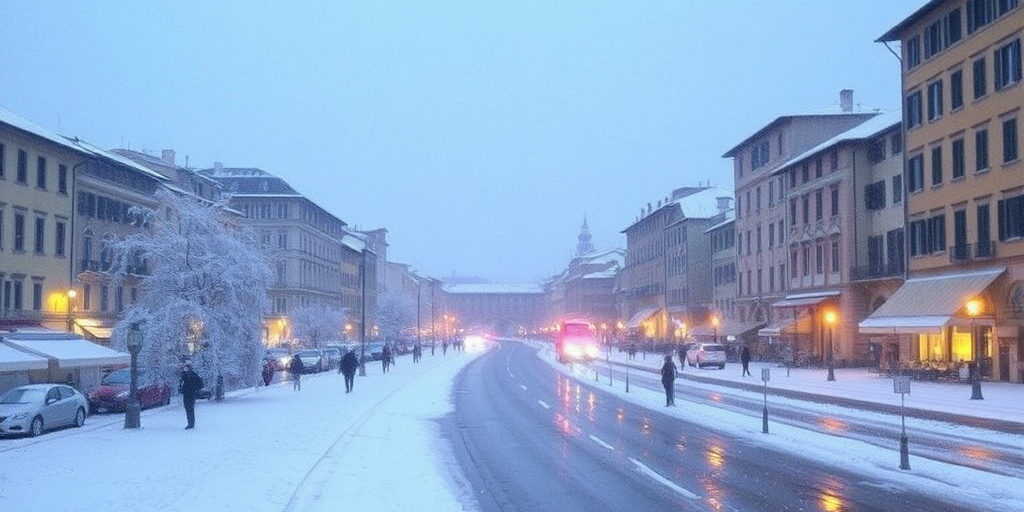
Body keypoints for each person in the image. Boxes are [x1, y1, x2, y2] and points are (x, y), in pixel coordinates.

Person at [179, 364, 204, 429]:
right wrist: (181, 389)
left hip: (192, 394)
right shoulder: (183, 375)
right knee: (187, 408)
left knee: (190, 408)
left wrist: (195, 389)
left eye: (187, 369)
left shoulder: (194, 375)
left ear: (190, 369)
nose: (186, 370)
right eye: (185, 369)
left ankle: (191, 424)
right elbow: (181, 384)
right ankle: (189, 423)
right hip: (185, 394)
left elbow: (201, 384)